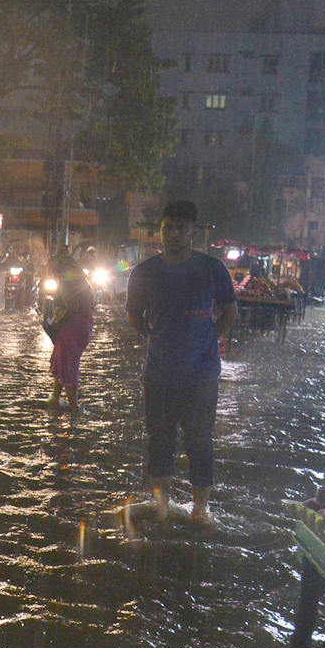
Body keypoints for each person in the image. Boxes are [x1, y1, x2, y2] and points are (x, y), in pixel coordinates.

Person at [125, 199, 239, 526]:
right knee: (159, 439)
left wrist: (207, 339)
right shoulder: (144, 272)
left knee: (199, 441)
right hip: (159, 373)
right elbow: (133, 315)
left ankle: (200, 509)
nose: (173, 233)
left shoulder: (212, 268)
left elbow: (230, 313)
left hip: (201, 374)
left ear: (193, 231)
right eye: (168, 227)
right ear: (159, 230)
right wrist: (151, 335)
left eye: (181, 228)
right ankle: (162, 505)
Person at [45, 255, 95, 411]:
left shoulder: (67, 284)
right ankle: (55, 398)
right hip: (83, 327)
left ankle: (74, 407)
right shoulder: (84, 284)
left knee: (67, 365)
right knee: (62, 361)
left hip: (71, 329)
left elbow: (72, 306)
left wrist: (58, 321)